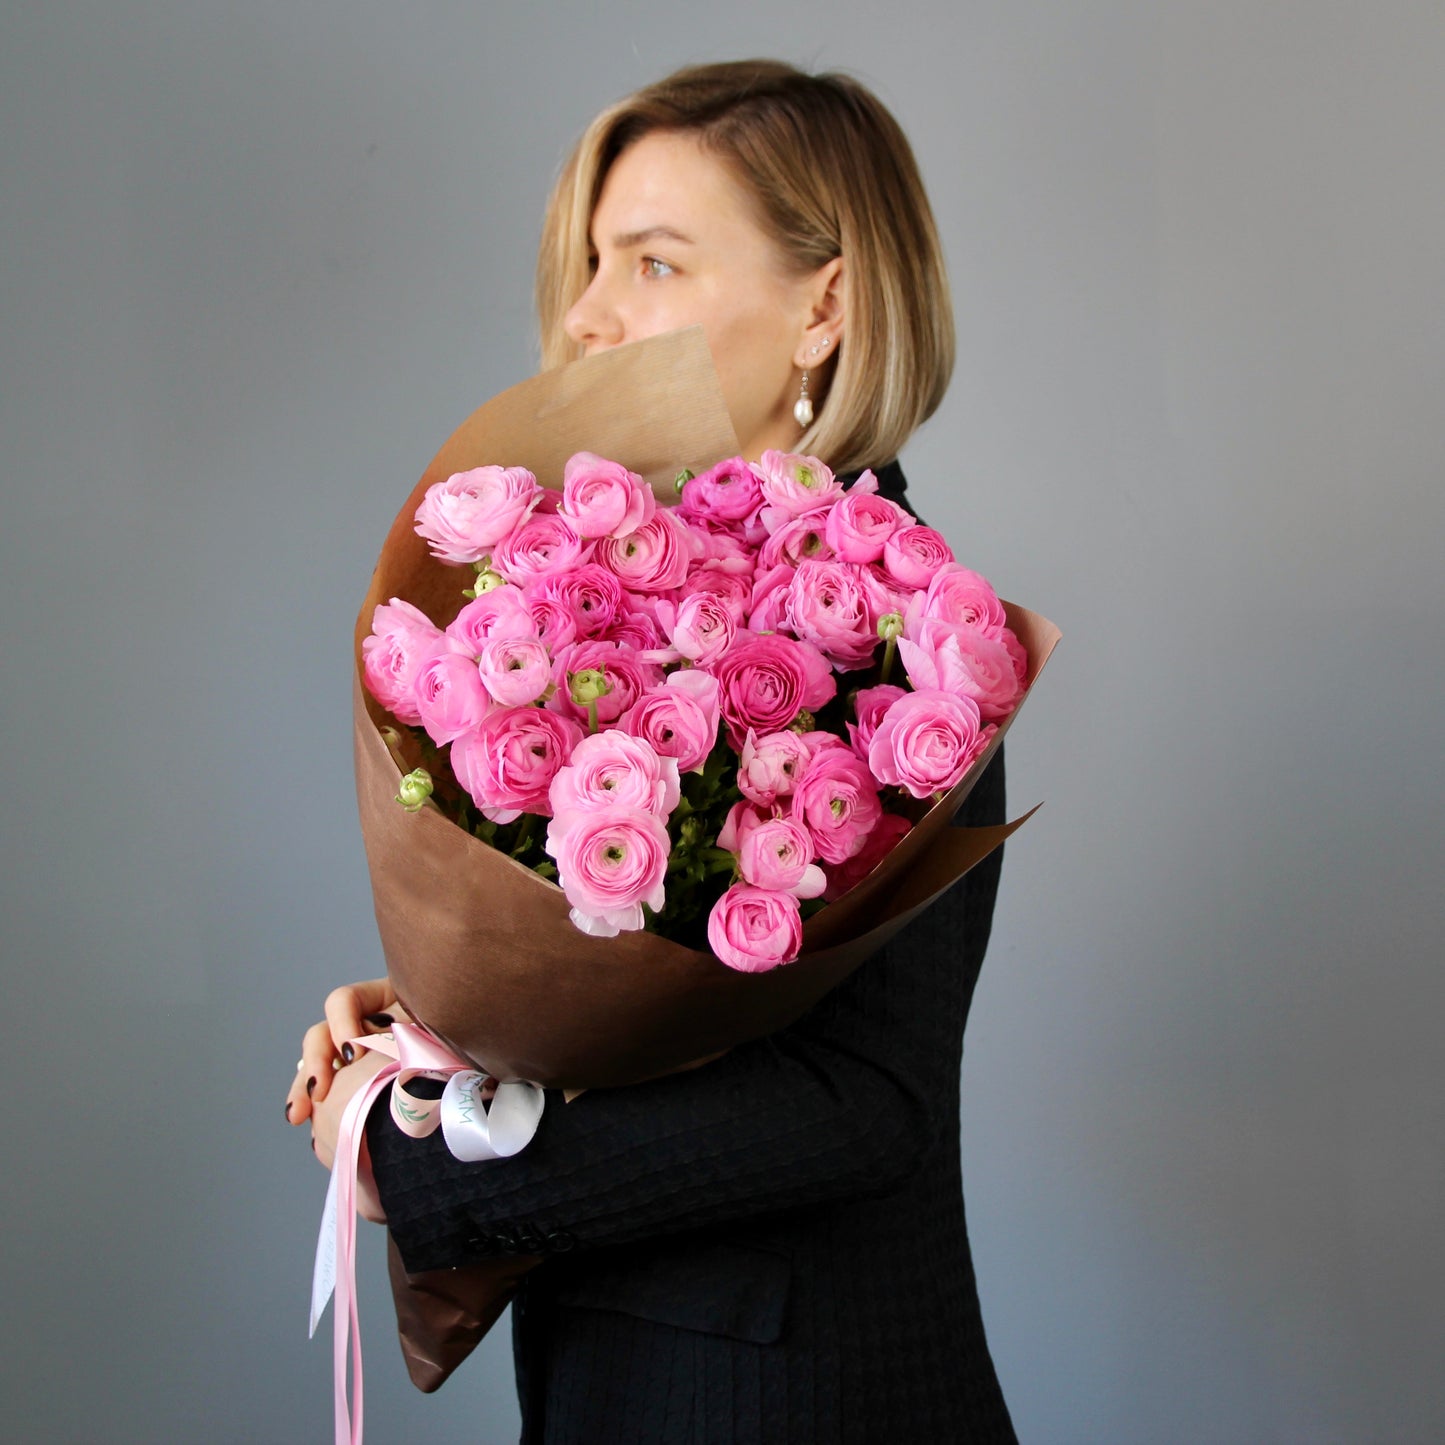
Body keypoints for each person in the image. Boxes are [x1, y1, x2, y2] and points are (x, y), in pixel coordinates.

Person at [287, 59, 1017, 1444]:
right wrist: (443, 1037)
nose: (587, 312)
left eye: (655, 263)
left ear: (826, 305)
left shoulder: (909, 637)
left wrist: (422, 1168)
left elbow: (861, 1100)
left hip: (790, 1404)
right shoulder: (627, 609)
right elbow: (656, 995)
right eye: (590, 262)